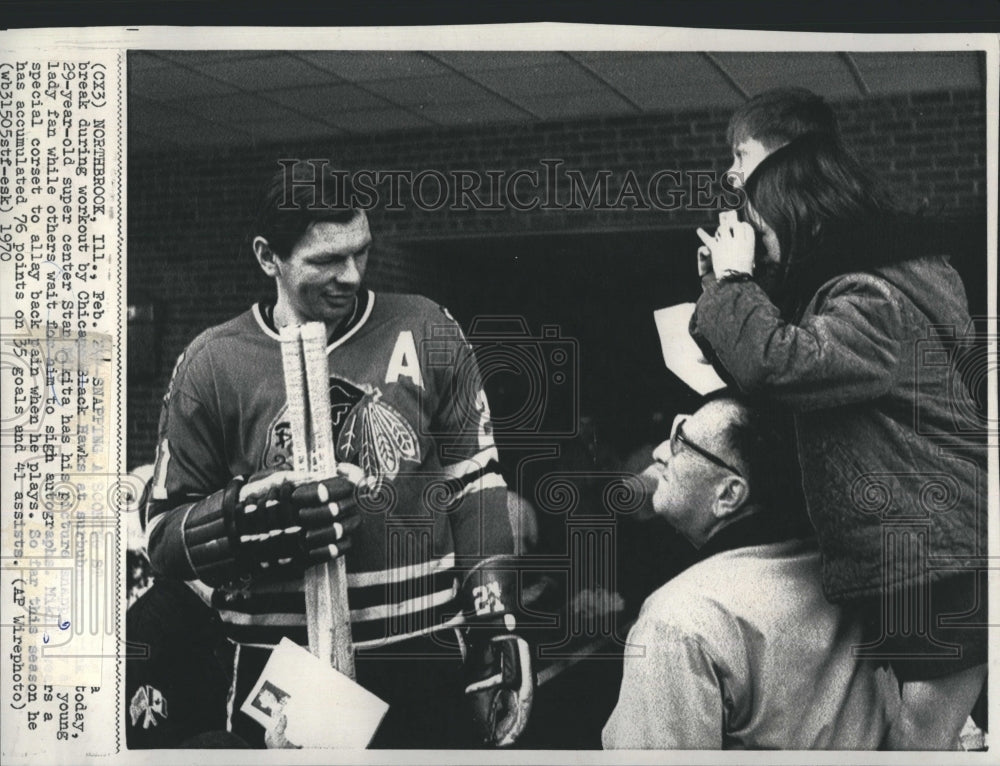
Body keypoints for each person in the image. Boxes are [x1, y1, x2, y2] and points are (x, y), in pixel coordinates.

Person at [141, 161, 533, 748]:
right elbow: (160, 538)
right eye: (325, 260)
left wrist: (496, 625)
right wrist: (246, 517)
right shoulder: (211, 363)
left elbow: (475, 486)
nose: (350, 275)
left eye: (362, 253)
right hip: (282, 665)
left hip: (423, 650)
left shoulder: (427, 328)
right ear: (267, 256)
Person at [690, 115, 988, 748]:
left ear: (796, 215)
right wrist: (727, 289)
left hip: (935, 556)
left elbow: (779, 366)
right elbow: (768, 369)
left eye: (762, 226)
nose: (757, 239)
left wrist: (736, 285)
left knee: (919, 743)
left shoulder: (870, 294)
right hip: (926, 550)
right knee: (923, 736)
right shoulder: (872, 283)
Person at [602, 396, 901, 749]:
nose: (659, 452)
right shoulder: (846, 571)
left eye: (681, 441)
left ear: (728, 495)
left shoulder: (676, 624)